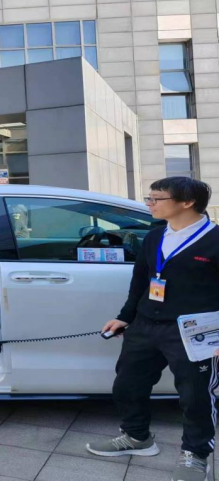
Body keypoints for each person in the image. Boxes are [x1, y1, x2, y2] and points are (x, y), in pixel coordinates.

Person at [86, 177, 219, 481]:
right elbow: (140, 282)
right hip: (145, 325)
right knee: (127, 384)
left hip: (194, 330)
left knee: (195, 396)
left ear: (187, 202)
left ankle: (196, 455)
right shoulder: (154, 236)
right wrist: (125, 317)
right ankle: (137, 437)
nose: (150, 204)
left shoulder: (215, 240)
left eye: (156, 198)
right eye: (150, 198)